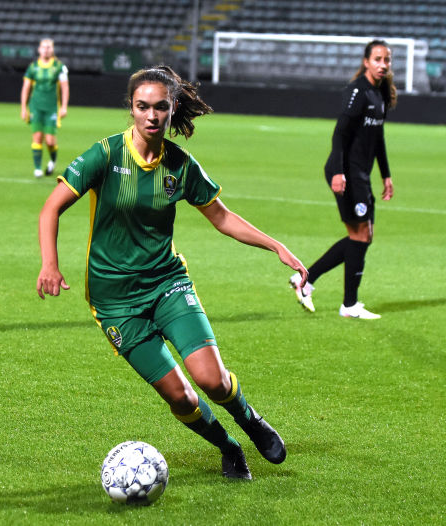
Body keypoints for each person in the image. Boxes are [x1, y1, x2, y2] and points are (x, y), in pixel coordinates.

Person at [36, 65, 308, 479]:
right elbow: (50, 207)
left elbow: (222, 217)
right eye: (142, 106)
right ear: (131, 108)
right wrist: (50, 265)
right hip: (116, 304)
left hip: (167, 284)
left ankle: (250, 420)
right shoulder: (106, 156)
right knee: (181, 397)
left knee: (212, 380)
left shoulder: (179, 165)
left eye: (160, 107)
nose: (151, 115)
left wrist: (276, 245)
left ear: (172, 107)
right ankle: (228, 447)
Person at [290, 40, 395, 319]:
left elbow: (378, 138)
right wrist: (338, 171)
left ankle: (306, 281)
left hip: (361, 173)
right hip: (346, 172)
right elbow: (339, 134)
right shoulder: (358, 91)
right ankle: (348, 305)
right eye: (377, 59)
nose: (383, 64)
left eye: (387, 59)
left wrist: (386, 175)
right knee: (361, 235)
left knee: (362, 235)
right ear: (366, 61)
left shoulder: (379, 93)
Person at [20, 38, 69, 178]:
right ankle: (37, 168)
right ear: (39, 49)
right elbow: (26, 88)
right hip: (36, 107)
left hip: (52, 108)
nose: (46, 49)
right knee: (37, 137)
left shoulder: (59, 67)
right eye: (44, 47)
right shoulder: (33, 67)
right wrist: (23, 108)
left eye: (49, 47)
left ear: (52, 49)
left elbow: (65, 88)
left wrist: (64, 106)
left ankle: (52, 161)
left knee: (50, 140)